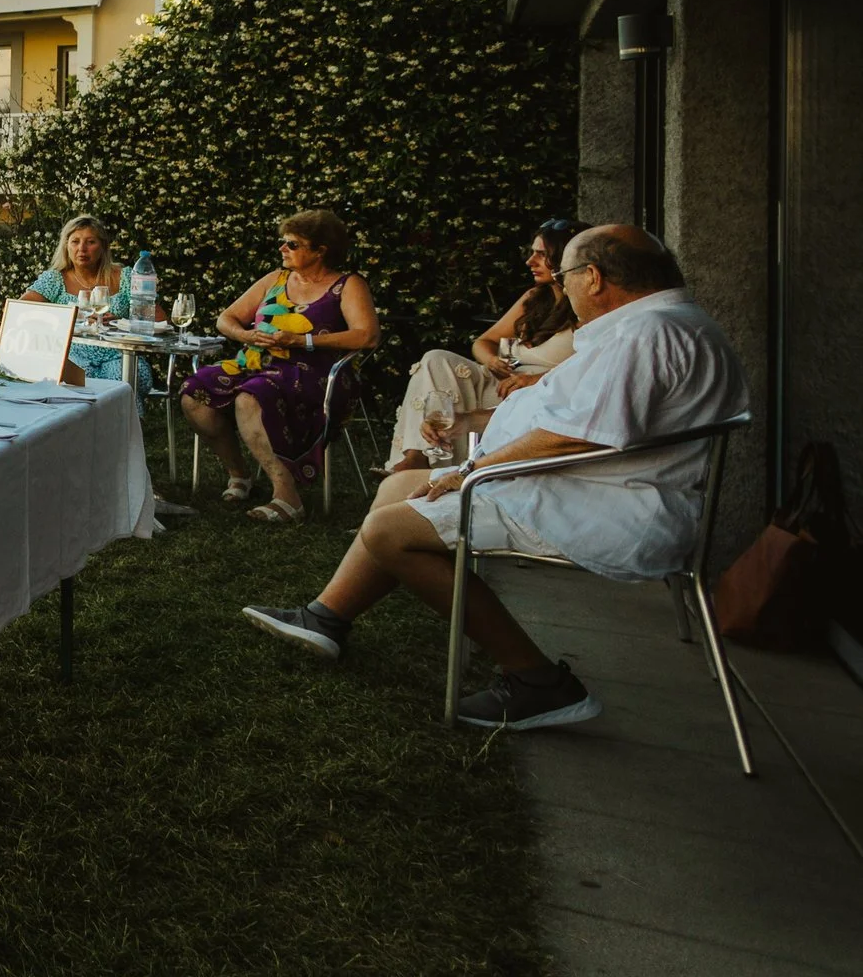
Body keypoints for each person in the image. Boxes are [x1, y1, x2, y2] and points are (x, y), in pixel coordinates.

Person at [241, 226, 749, 731]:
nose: (565, 289)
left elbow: (582, 435)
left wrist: (474, 469)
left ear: (592, 278)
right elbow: (581, 420)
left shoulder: (648, 335)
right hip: (589, 483)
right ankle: (327, 618)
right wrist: (470, 435)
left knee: (387, 532)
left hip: (599, 503)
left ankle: (536, 680)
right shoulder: (663, 325)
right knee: (398, 489)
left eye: (567, 275)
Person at [179, 209, 381, 523]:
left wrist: (305, 342)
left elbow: (367, 335)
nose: (282, 249)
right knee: (195, 392)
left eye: (292, 244)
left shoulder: (347, 285)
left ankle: (287, 495)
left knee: (252, 397)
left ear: (320, 251)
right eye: (283, 243)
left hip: (316, 373)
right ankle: (239, 474)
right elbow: (225, 319)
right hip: (255, 363)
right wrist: (246, 334)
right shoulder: (277, 278)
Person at [385, 218, 581, 472]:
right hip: (500, 381)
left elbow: (591, 367)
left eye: (541, 255)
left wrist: (535, 380)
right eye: (532, 253)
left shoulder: (585, 305)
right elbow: (483, 342)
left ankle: (428, 463)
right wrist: (490, 360)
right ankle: (417, 455)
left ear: (565, 257)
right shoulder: (534, 298)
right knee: (435, 359)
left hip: (537, 393)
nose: (530, 261)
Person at [21, 215, 152, 392]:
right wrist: (71, 318)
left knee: (122, 382)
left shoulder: (126, 277)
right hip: (72, 354)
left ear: (103, 246)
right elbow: (20, 312)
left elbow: (156, 318)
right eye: (75, 242)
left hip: (120, 354)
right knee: (78, 381)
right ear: (66, 246)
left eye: (90, 242)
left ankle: (125, 419)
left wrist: (120, 322)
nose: (82, 249)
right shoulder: (55, 279)